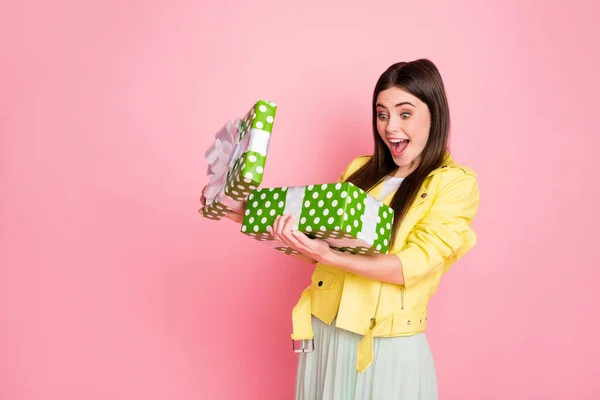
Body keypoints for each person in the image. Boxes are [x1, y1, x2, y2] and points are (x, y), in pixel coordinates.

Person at [201, 58, 480, 400]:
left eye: (405, 113)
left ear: (434, 115)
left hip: (383, 345)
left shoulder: (454, 184)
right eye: (382, 114)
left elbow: (411, 267)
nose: (390, 126)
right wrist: (244, 213)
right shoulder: (361, 171)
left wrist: (329, 256)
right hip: (324, 333)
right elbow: (320, 240)